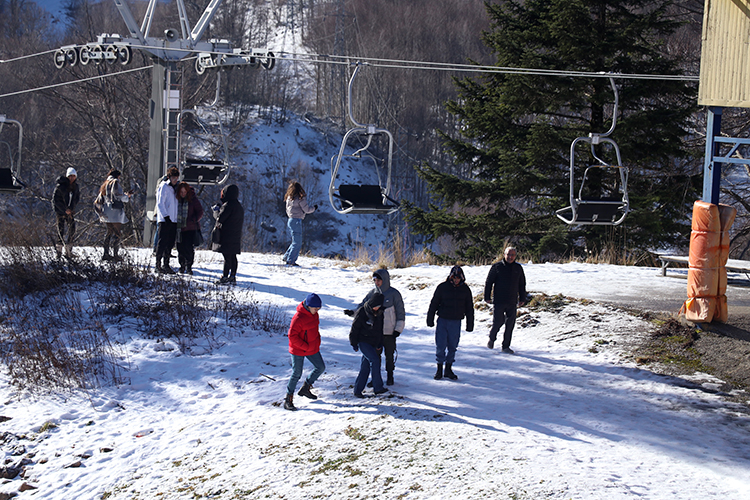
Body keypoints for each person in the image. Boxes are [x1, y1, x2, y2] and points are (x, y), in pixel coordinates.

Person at [345, 269, 405, 386]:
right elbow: (363, 307)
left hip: (390, 332)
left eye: (379, 280)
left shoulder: (394, 294)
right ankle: (375, 379)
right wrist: (352, 312)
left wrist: (398, 329)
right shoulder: (372, 293)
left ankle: (390, 375)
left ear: (385, 280)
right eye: (375, 280)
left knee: (389, 355)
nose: (376, 283)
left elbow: (400, 312)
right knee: (375, 357)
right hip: (375, 332)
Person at [426, 266, 474, 381]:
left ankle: (448, 369)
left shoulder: (465, 290)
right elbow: (434, 303)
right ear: (451, 277)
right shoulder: (442, 287)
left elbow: (469, 307)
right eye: (454, 278)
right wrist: (430, 318)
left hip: (456, 321)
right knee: (440, 345)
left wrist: (470, 323)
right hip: (443, 320)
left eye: (458, 278)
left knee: (453, 346)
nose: (456, 280)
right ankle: (439, 369)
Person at [284, 293, 326, 411]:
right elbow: (292, 336)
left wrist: (317, 341)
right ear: (308, 306)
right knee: (297, 373)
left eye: (318, 308)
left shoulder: (314, 314)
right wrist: (304, 346)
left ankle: (305, 388)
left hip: (311, 347)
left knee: (320, 367)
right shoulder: (298, 318)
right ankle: (288, 399)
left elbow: (314, 330)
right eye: (315, 308)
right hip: (298, 349)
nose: (317, 310)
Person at [484, 246, 527, 354]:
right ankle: (492, 337)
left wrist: (522, 298)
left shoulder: (518, 268)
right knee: (498, 321)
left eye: (512, 255)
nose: (510, 257)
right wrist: (487, 297)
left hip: (512, 300)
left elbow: (522, 284)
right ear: (504, 255)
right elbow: (489, 282)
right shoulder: (497, 267)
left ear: (515, 256)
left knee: (510, 324)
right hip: (499, 300)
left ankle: (506, 346)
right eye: (508, 254)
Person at [349, 292, 388, 398]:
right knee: (374, 360)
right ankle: (378, 387)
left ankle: (358, 390)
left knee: (365, 367)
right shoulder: (362, 311)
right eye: (375, 306)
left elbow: (380, 330)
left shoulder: (380, 313)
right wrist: (354, 343)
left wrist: (380, 343)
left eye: (378, 306)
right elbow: (355, 328)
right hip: (363, 341)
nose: (376, 308)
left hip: (373, 343)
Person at [94, 169, 132, 262]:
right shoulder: (115, 183)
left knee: (109, 233)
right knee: (117, 234)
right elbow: (119, 195)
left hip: (106, 212)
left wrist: (100, 212)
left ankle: (106, 253)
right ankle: (115, 254)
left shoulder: (105, 184)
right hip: (115, 212)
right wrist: (127, 197)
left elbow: (99, 199)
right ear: (117, 176)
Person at [212, 184, 244, 284]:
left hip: (226, 235)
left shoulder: (228, 205)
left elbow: (220, 219)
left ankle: (225, 276)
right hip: (236, 235)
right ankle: (232, 276)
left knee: (227, 256)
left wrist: (216, 211)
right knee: (233, 256)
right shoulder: (239, 206)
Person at [282, 181, 317, 267]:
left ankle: (286, 256)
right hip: (297, 220)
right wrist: (314, 208)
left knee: (295, 241)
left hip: (290, 220)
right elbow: (307, 209)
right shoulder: (300, 198)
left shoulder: (289, 198)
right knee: (297, 243)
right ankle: (291, 261)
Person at [155, 167, 180, 274]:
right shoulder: (164, 186)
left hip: (173, 219)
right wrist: (165, 216)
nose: (175, 180)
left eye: (176, 178)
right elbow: (160, 203)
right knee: (162, 242)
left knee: (170, 243)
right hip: (165, 219)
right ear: (169, 177)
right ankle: (158, 264)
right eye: (174, 178)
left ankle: (166, 264)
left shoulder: (176, 188)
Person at [175, 182, 204, 275]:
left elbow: (200, 211)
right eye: (181, 192)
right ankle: (182, 266)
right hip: (179, 228)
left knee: (188, 248)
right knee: (180, 248)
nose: (183, 194)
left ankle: (188, 266)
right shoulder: (176, 199)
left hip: (190, 228)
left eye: (184, 192)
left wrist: (194, 219)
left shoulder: (193, 199)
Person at [52, 167, 80, 259]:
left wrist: (71, 209)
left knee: (72, 229)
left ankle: (68, 250)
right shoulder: (60, 186)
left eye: (73, 176)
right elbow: (55, 200)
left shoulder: (75, 187)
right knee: (60, 230)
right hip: (60, 211)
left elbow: (76, 199)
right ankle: (59, 252)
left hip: (69, 212)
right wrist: (64, 209)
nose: (72, 178)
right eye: (70, 176)